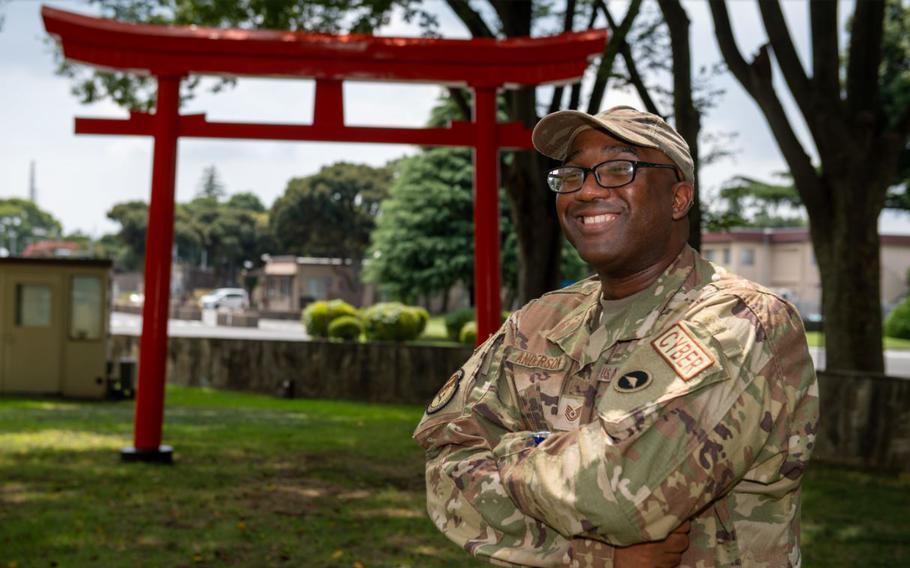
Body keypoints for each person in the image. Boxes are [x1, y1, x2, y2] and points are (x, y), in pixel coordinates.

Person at [413, 105, 819, 567]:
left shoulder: (744, 321)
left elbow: (624, 498)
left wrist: (505, 450)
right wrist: (587, 554)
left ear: (678, 198)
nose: (586, 190)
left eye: (617, 169)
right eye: (571, 175)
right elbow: (445, 463)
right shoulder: (538, 321)